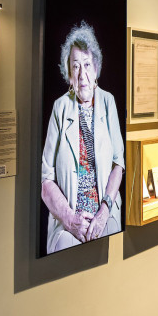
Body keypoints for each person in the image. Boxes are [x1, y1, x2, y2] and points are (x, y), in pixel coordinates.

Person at [41, 22, 125, 254]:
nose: (82, 75)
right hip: (68, 224)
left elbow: (119, 163)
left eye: (87, 65)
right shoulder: (60, 108)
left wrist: (104, 211)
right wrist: (70, 219)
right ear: (68, 74)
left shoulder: (108, 102)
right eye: (75, 66)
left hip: (104, 216)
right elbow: (46, 180)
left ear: (96, 69)